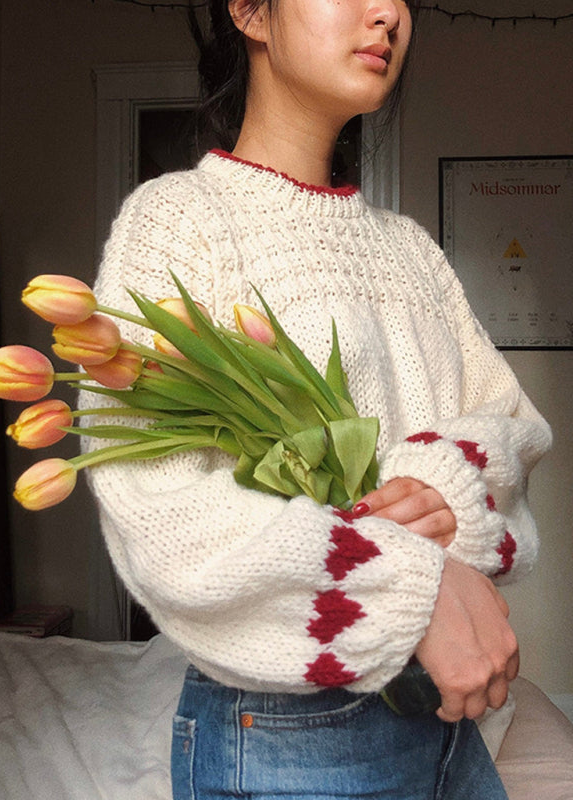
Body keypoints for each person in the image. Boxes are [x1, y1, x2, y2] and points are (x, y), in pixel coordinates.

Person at [81, 0, 552, 797]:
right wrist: (416, 585)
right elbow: (162, 520)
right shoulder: (178, 224)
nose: (390, 13)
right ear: (250, 12)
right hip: (292, 738)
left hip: (446, 728)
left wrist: (437, 485)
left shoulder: (412, 252)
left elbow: (513, 427)